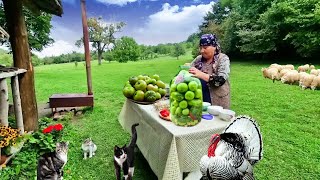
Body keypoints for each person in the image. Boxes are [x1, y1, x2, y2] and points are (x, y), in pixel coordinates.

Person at [189, 34, 231, 109]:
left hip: (218, 101)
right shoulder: (199, 59)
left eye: (205, 47)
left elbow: (220, 80)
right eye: (200, 48)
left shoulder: (223, 59)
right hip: (201, 98)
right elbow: (189, 70)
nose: (201, 51)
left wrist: (200, 74)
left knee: (216, 119)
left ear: (214, 47)